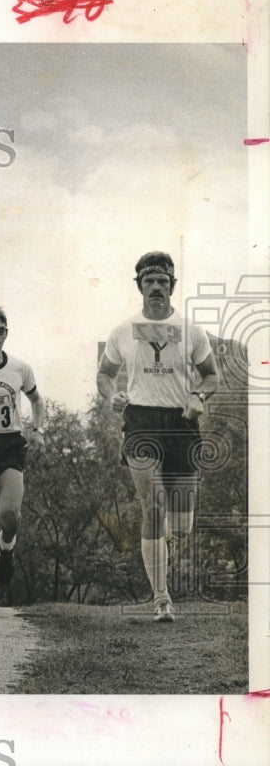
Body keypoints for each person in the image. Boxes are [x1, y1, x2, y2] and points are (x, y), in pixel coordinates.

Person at [96, 251, 219, 623]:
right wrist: (110, 394)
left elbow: (211, 375)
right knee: (151, 506)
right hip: (141, 421)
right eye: (148, 281)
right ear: (139, 286)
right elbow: (104, 375)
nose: (155, 288)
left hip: (180, 422)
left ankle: (166, 532)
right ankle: (161, 598)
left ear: (172, 286)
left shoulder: (191, 330)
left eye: (162, 281)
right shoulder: (121, 330)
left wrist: (198, 396)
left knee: (180, 523)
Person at [0, 305, 46, 610]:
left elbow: (36, 399)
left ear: (6, 333)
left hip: (9, 445)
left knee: (10, 514)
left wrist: (38, 429)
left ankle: (8, 548)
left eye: (0, 330)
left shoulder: (19, 367)